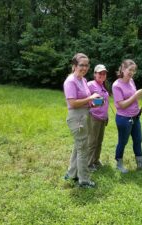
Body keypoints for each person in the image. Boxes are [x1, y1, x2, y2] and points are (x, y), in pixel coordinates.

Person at [63, 53, 100, 188]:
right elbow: (72, 103)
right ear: (74, 66)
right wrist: (90, 99)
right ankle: (84, 180)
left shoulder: (83, 80)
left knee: (78, 146)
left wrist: (93, 103)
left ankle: (71, 173)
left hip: (84, 115)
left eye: (87, 65)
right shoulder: (70, 81)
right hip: (76, 117)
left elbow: (85, 99)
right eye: (81, 65)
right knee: (83, 149)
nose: (84, 68)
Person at [112, 59, 142, 173]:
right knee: (123, 142)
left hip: (135, 117)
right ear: (123, 69)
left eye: (133, 71)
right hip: (123, 119)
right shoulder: (116, 85)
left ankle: (141, 164)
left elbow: (135, 98)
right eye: (130, 70)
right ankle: (119, 165)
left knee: (138, 140)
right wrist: (136, 95)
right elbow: (121, 105)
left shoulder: (131, 81)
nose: (131, 73)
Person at [87, 64, 109, 171]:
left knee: (99, 141)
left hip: (102, 118)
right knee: (92, 141)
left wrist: (106, 116)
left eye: (104, 73)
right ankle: (89, 163)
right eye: (100, 73)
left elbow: (105, 103)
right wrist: (100, 101)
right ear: (95, 74)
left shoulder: (102, 86)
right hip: (94, 117)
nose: (102, 75)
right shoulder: (91, 84)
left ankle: (96, 160)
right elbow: (87, 101)